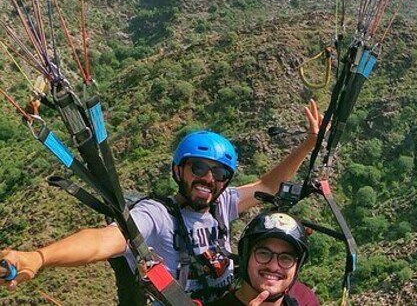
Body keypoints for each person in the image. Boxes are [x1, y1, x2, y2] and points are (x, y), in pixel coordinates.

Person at [0, 99, 322, 304]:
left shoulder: (223, 206)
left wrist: (309, 143)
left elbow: (267, 184)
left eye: (219, 174)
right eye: (198, 168)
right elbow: (102, 242)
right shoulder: (158, 216)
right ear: (178, 171)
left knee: (300, 297)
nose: (208, 179)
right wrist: (41, 257)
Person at [208, 211, 318, 306]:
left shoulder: (303, 299)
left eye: (286, 258)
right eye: (264, 253)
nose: (273, 266)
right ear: (246, 256)